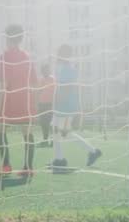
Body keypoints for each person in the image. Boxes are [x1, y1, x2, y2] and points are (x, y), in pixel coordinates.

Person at [51, 44, 102, 173]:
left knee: (57, 130)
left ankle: (59, 160)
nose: (57, 55)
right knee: (65, 132)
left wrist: (57, 102)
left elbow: (66, 88)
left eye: (59, 53)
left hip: (65, 105)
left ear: (63, 55)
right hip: (69, 105)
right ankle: (93, 151)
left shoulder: (67, 68)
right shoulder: (66, 67)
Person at [0, 24, 37, 177]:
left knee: (1, 130)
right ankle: (28, 168)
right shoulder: (28, 56)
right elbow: (34, 82)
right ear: (20, 38)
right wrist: (33, 103)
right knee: (27, 133)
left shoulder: (5, 56)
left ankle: (6, 165)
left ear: (8, 37)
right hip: (26, 99)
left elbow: (4, 84)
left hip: (10, 98)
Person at [37, 64, 55, 148]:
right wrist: (37, 103)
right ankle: (45, 141)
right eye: (44, 70)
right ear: (42, 71)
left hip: (50, 104)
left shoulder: (53, 79)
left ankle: (53, 141)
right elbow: (39, 91)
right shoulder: (41, 80)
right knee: (43, 123)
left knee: (51, 123)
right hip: (42, 104)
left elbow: (56, 92)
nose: (45, 72)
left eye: (47, 70)